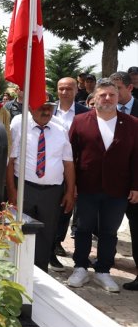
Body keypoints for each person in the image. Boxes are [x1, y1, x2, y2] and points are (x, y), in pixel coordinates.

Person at [67, 78, 138, 292]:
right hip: (87, 187)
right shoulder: (80, 121)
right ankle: (80, 267)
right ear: (95, 97)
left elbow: (136, 157)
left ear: (118, 97)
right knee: (83, 228)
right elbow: (71, 154)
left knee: (109, 231)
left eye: (112, 95)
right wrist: (72, 185)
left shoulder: (132, 124)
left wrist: (136, 186)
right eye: (103, 95)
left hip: (118, 189)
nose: (107, 99)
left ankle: (103, 271)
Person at [6, 101, 75, 273]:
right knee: (19, 231)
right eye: (41, 106)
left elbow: (68, 163)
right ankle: (17, 272)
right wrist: (12, 191)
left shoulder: (60, 129)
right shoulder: (19, 125)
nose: (45, 111)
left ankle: (40, 273)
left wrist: (70, 192)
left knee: (46, 235)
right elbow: (10, 161)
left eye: (49, 107)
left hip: (52, 193)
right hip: (24, 189)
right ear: (30, 107)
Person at [52, 77, 90, 259]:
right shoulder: (47, 110)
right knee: (52, 204)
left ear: (77, 90)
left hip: (75, 165)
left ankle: (58, 240)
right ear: (57, 90)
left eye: (69, 89)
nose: (65, 92)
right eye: (61, 89)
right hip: (51, 164)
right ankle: (50, 242)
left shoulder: (86, 112)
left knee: (68, 203)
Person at [109, 71, 138, 291]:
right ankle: (104, 263)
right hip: (111, 183)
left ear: (130, 88)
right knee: (107, 226)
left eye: (118, 88)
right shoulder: (106, 112)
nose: (114, 93)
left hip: (135, 186)